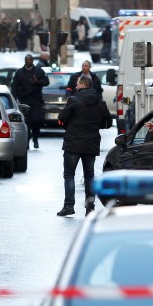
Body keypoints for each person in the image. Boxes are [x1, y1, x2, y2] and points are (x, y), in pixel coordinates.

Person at [57, 76, 112, 217]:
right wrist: (96, 125)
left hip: (73, 143)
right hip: (91, 143)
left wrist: (69, 124)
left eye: (77, 84)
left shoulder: (74, 100)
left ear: (82, 85)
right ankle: (90, 208)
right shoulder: (100, 102)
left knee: (69, 175)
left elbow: (62, 117)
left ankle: (69, 206)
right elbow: (108, 122)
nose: (75, 87)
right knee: (90, 177)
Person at [11, 54, 49, 149]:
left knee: (36, 120)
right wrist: (14, 99)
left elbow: (46, 82)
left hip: (36, 99)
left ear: (32, 61)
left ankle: (35, 137)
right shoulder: (19, 72)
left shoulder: (39, 71)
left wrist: (37, 81)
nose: (28, 62)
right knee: (26, 122)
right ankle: (26, 141)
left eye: (30, 60)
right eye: (26, 60)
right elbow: (14, 86)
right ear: (25, 61)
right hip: (24, 100)